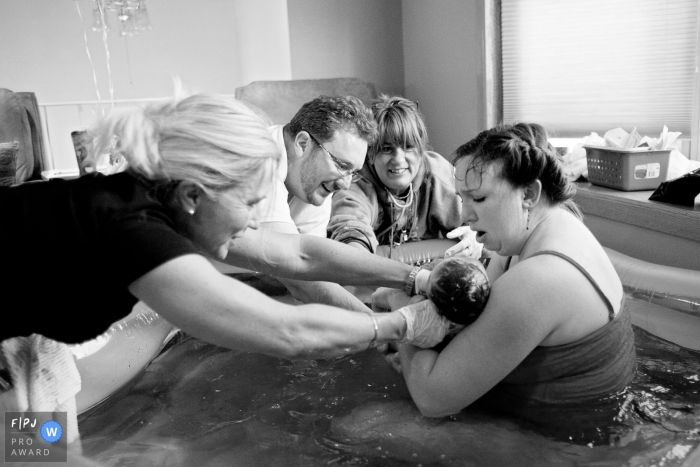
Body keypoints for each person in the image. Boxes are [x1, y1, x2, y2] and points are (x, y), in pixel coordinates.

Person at [0, 91, 454, 370]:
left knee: (50, 450)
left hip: (26, 337)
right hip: (12, 343)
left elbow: (299, 255)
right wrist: (402, 324)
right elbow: (288, 332)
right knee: (40, 455)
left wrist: (415, 278)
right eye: (251, 203)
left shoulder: (160, 199)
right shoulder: (134, 233)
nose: (257, 221)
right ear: (196, 194)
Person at [378, 122, 636, 422]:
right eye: (462, 198)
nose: (465, 215)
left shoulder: (541, 278)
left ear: (528, 194)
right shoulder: (549, 229)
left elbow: (432, 400)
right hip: (575, 419)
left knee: (357, 429)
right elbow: (478, 322)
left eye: (479, 198)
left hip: (567, 445)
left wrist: (403, 309)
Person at [215, 95, 381, 312]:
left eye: (353, 172)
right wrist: (381, 326)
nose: (345, 184)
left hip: (242, 286)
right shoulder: (261, 159)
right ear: (303, 144)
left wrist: (410, 285)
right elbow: (299, 273)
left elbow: (315, 268)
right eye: (342, 165)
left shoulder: (314, 181)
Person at [327, 95, 480, 260]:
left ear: (421, 151)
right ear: (370, 153)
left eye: (408, 147)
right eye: (386, 149)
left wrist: (476, 235)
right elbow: (349, 228)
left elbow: (479, 217)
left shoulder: (438, 175)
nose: (398, 160)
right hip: (377, 276)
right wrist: (354, 250)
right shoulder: (355, 182)